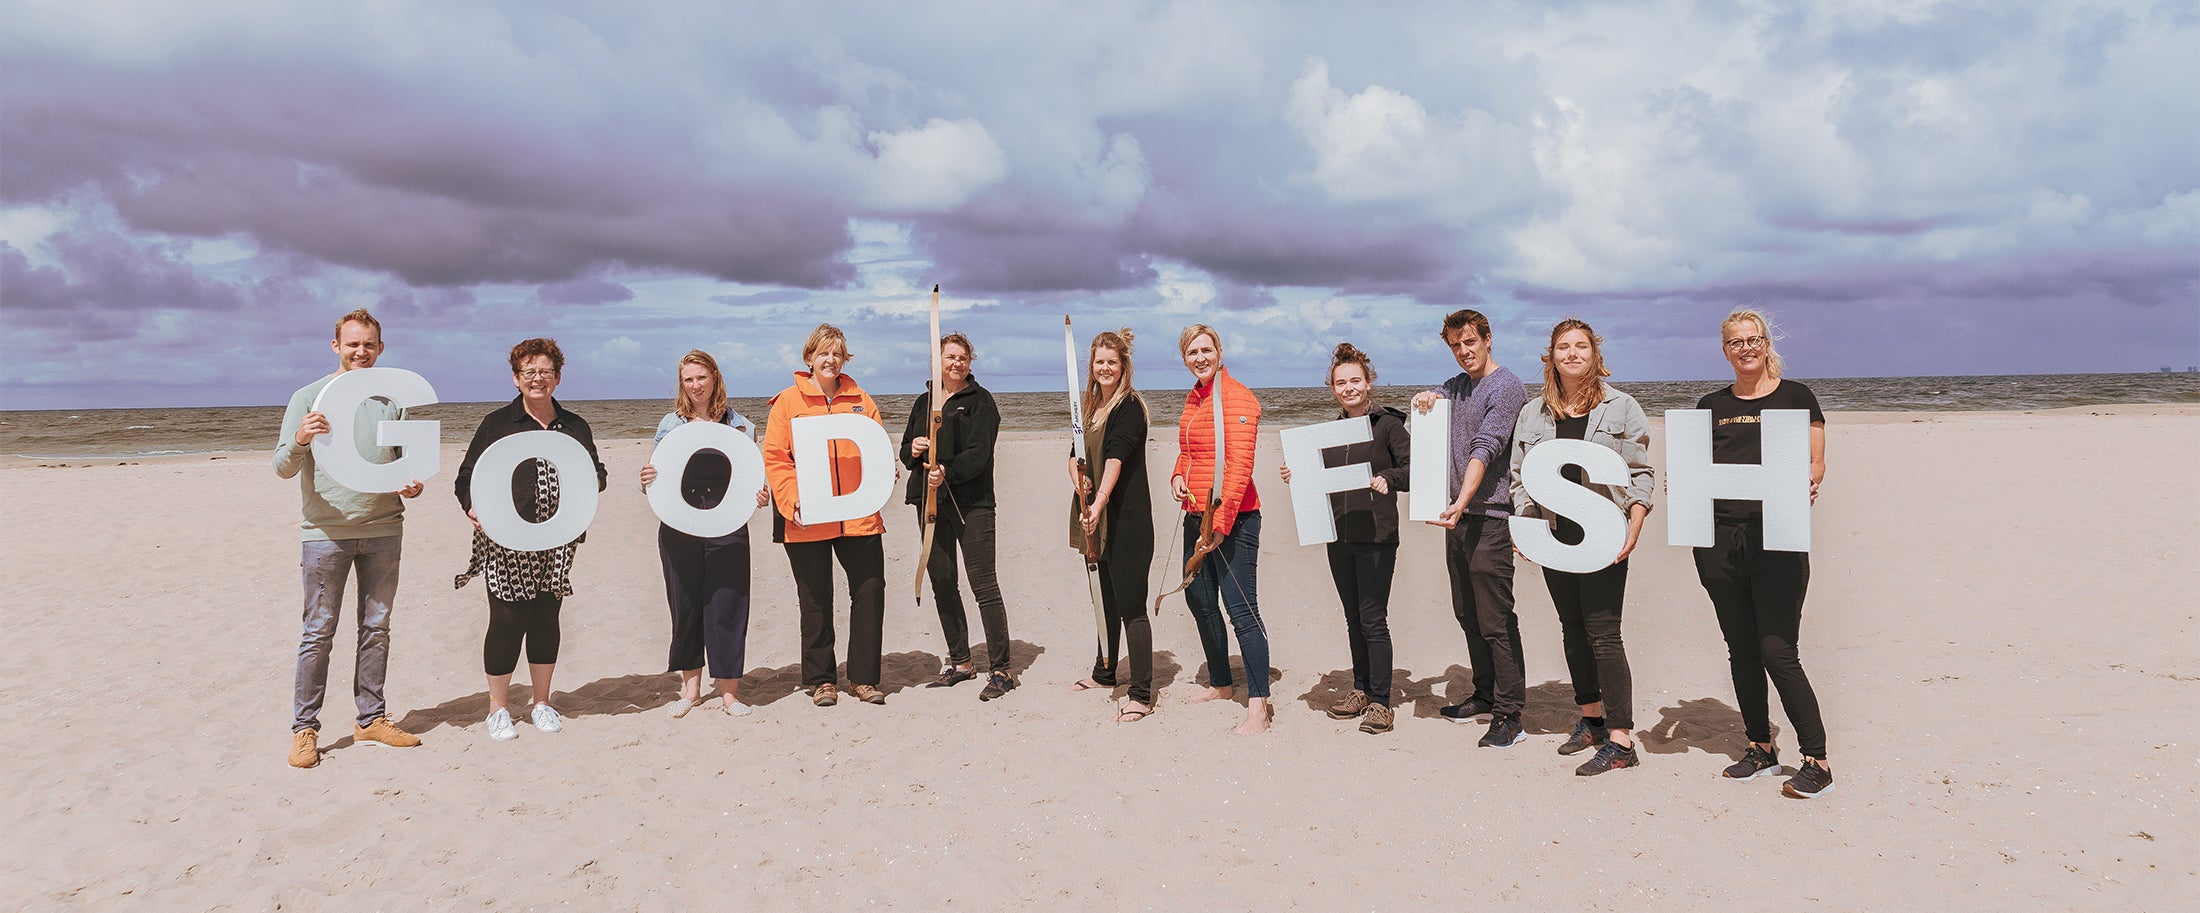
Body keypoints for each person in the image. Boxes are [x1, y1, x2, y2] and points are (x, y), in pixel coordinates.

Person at [274, 308, 426, 768]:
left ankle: (371, 719)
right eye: (353, 343)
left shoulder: (392, 400)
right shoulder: (307, 396)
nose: (361, 351)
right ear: (335, 345)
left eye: (369, 344)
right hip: (325, 533)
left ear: (381, 348)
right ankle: (305, 731)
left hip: (384, 529)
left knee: (376, 629)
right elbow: (283, 466)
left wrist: (413, 483)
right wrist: (301, 437)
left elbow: (409, 466)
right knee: (317, 634)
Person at [1693, 307, 1834, 798]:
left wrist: (1807, 481)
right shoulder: (1709, 405)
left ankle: (1816, 760)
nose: (1746, 348)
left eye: (1753, 339)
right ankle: (1760, 748)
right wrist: (1685, 484)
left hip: (1778, 537)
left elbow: (1815, 464)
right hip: (1717, 541)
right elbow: (1697, 469)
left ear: (1767, 343)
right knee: (1741, 650)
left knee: (1778, 650)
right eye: (1736, 342)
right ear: (1725, 349)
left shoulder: (1798, 398)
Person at [1509, 319, 1655, 775]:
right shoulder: (1534, 414)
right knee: (1571, 628)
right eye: (1563, 348)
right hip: (1558, 536)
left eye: (1580, 347)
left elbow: (1639, 473)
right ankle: (1591, 719)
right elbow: (1520, 479)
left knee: (1604, 634)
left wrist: (1636, 523)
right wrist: (1527, 525)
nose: (1572, 354)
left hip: (1605, 534)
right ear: (1550, 356)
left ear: (1595, 354)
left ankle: (1621, 739)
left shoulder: (1622, 407)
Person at [452, 338, 608, 742]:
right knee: (506, 621)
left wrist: (590, 487)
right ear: (516, 378)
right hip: (506, 540)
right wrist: (472, 507)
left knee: (545, 618)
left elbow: (596, 475)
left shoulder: (574, 425)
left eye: (545, 371)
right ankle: (498, 709)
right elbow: (466, 477)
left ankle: (541, 702)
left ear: (558, 376)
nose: (538, 378)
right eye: (529, 371)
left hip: (558, 542)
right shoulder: (498, 424)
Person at [1411, 309, 1533, 748]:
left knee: (1496, 619)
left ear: (1487, 338)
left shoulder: (1507, 387)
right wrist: (1425, 397)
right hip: (1457, 520)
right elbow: (1433, 410)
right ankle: (1484, 694)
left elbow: (1487, 445)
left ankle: (1510, 713)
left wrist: (1463, 500)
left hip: (1490, 519)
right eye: (1456, 346)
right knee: (1467, 613)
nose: (1464, 352)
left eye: (1470, 342)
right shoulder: (1456, 387)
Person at [1281, 343, 1410, 735]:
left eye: (1355, 380)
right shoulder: (1331, 432)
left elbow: (1413, 468)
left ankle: (1381, 702)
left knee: (1373, 618)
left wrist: (1389, 479)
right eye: (1341, 382)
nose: (1349, 388)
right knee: (1353, 618)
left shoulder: (1388, 425)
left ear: (1369, 382)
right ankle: (1360, 689)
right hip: (1338, 534)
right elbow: (1319, 478)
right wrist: (1296, 474)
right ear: (1333, 388)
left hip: (1376, 535)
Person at [762, 324, 890, 707]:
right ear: (809, 359)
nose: (830, 360)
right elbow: (776, 458)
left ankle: (864, 678)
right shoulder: (787, 402)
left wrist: (885, 471)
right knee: (815, 599)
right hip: (807, 516)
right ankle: (821, 680)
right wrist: (792, 500)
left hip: (858, 516)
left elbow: (876, 448)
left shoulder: (861, 399)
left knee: (870, 591)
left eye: (836, 353)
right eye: (823, 353)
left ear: (844, 358)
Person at [641, 350, 768, 719]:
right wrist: (645, 480)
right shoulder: (671, 424)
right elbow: (657, 477)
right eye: (688, 380)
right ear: (682, 384)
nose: (695, 385)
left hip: (727, 523)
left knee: (728, 604)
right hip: (679, 524)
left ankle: (729, 694)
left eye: (701, 377)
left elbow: (752, 481)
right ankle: (691, 690)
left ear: (715, 376)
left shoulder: (741, 425)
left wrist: (761, 496)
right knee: (686, 604)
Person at [900, 332, 1018, 701]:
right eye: (949, 357)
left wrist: (946, 470)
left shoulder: (981, 402)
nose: (956, 363)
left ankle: (1001, 669)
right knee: (943, 582)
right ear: (938, 361)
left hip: (973, 504)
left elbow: (979, 454)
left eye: (962, 358)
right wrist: (916, 449)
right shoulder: (924, 402)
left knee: (983, 584)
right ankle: (962, 662)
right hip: (930, 504)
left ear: (970, 361)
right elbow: (905, 453)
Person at [1169, 324, 1270, 736]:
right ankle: (1222, 683)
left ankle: (1259, 706)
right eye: (1192, 352)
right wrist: (1178, 474)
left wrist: (1221, 526)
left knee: (1241, 610)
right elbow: (1189, 449)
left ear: (1220, 351)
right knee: (1198, 598)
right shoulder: (1195, 396)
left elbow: (1238, 468)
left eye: (1206, 350)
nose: (1200, 358)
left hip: (1236, 519)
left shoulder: (1237, 397)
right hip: (1196, 514)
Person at [1067, 329, 1156, 723]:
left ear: (1123, 367)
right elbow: (1074, 454)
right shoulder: (1088, 409)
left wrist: (1099, 501)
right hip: (1095, 520)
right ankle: (1105, 674)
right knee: (1102, 599)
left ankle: (1141, 692)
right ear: (1092, 366)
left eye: (1112, 362)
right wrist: (1079, 481)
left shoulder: (1130, 407)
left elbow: (1117, 457)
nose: (1105, 368)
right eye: (1099, 362)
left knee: (1130, 606)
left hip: (1126, 520)